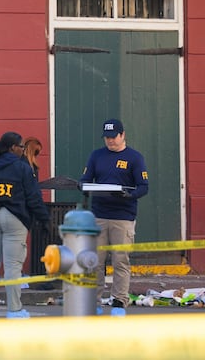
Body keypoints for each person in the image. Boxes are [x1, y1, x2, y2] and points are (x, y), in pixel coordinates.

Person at [0, 131, 49, 319]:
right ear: (13, 147)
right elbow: (33, 197)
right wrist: (43, 219)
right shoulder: (22, 168)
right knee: (13, 266)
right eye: (21, 146)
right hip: (15, 217)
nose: (23, 150)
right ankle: (14, 310)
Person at [80, 118, 149, 317]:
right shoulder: (96, 156)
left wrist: (129, 195)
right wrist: (84, 188)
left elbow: (144, 186)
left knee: (120, 260)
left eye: (113, 137)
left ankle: (119, 300)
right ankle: (94, 302)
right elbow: (86, 179)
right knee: (96, 261)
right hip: (99, 215)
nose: (110, 141)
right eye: (107, 138)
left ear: (122, 135)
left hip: (123, 217)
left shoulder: (135, 158)